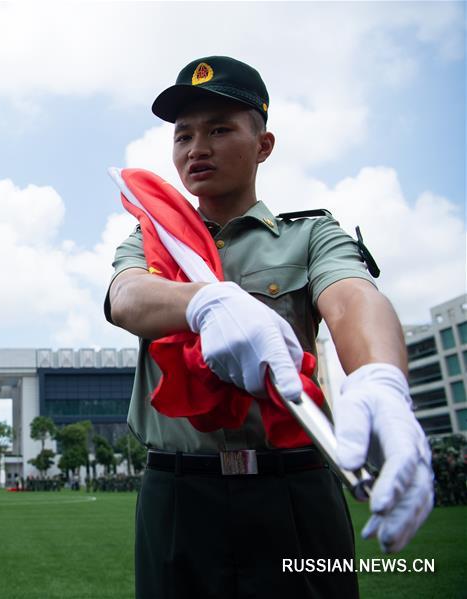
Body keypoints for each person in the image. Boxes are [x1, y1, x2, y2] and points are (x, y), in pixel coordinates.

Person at [105, 57, 433, 598]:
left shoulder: (308, 235)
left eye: (219, 129)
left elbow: (352, 297)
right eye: (183, 135)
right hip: (179, 496)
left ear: (264, 144)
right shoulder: (152, 240)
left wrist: (381, 380)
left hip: (294, 489)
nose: (196, 148)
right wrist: (204, 301)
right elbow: (127, 297)